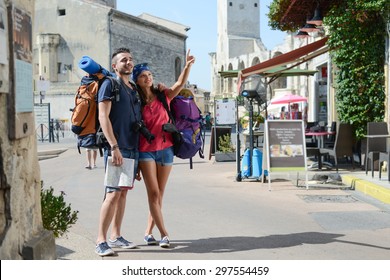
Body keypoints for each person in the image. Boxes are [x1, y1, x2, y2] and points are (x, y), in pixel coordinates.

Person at [132, 49, 195, 248]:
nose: (147, 78)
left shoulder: (163, 95)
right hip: (146, 150)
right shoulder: (135, 101)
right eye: (143, 76)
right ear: (137, 80)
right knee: (153, 193)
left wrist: (187, 66)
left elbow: (179, 85)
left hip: (166, 148)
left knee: (160, 193)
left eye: (149, 75)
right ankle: (164, 234)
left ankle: (148, 232)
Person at [94, 47, 142, 256]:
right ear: (115, 66)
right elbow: (103, 117)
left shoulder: (133, 88)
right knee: (112, 194)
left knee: (122, 194)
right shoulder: (109, 84)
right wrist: (113, 146)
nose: (128, 62)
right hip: (116, 148)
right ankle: (100, 240)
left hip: (132, 149)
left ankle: (116, 235)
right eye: (124, 60)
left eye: (130, 59)